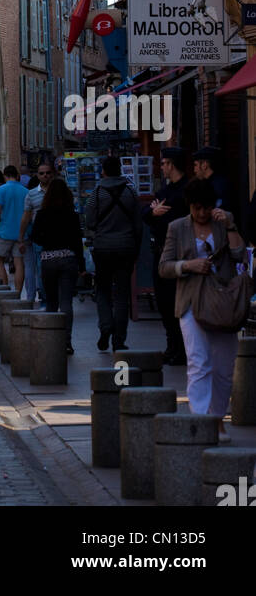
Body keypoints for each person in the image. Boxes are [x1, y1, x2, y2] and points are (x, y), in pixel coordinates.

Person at [159, 179, 247, 439]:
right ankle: (200, 422)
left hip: (223, 302)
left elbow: (240, 255)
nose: (201, 214)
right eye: (197, 208)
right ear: (190, 206)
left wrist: (230, 226)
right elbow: (164, 267)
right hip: (190, 301)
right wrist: (188, 266)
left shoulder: (222, 223)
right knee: (199, 362)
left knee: (223, 367)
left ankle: (218, 418)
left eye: (206, 208)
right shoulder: (177, 227)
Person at [85, 156, 143, 352]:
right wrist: (135, 246)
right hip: (126, 246)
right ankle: (119, 339)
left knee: (102, 290)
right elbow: (138, 223)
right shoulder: (130, 192)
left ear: (103, 171)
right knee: (121, 294)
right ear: (120, 170)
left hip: (103, 248)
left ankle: (106, 326)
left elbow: (90, 221)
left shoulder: (97, 192)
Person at [142, 148, 188, 365]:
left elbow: (169, 219)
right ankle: (172, 345)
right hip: (161, 252)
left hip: (177, 253)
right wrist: (152, 213)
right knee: (164, 302)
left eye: (163, 164)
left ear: (171, 165)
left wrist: (156, 214)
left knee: (174, 302)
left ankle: (180, 347)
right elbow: (148, 216)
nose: (161, 167)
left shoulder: (184, 191)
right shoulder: (165, 191)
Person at [32, 178, 85, 355]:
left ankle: (51, 339)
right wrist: (82, 265)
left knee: (51, 301)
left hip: (48, 259)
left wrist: (46, 239)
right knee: (66, 302)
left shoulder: (42, 214)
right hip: (68, 258)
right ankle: (67, 341)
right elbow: (78, 241)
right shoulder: (72, 214)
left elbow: (35, 237)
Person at [17, 160, 56, 303]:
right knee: (41, 267)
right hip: (39, 235)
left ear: (53, 174)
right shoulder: (31, 194)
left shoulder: (60, 192)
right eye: (42, 173)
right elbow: (25, 217)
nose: (45, 175)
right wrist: (20, 237)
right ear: (37, 176)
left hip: (58, 234)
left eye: (48, 173)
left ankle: (50, 296)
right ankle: (44, 297)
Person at [0, 166, 28, 291]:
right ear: (17, 175)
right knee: (19, 263)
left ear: (5, 176)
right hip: (21, 233)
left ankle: (4, 290)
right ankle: (17, 293)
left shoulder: (1, 189)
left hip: (5, 231)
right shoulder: (25, 191)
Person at [192, 147, 236, 219]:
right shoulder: (207, 183)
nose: (194, 170)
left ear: (204, 165)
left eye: (195, 165)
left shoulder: (220, 185)